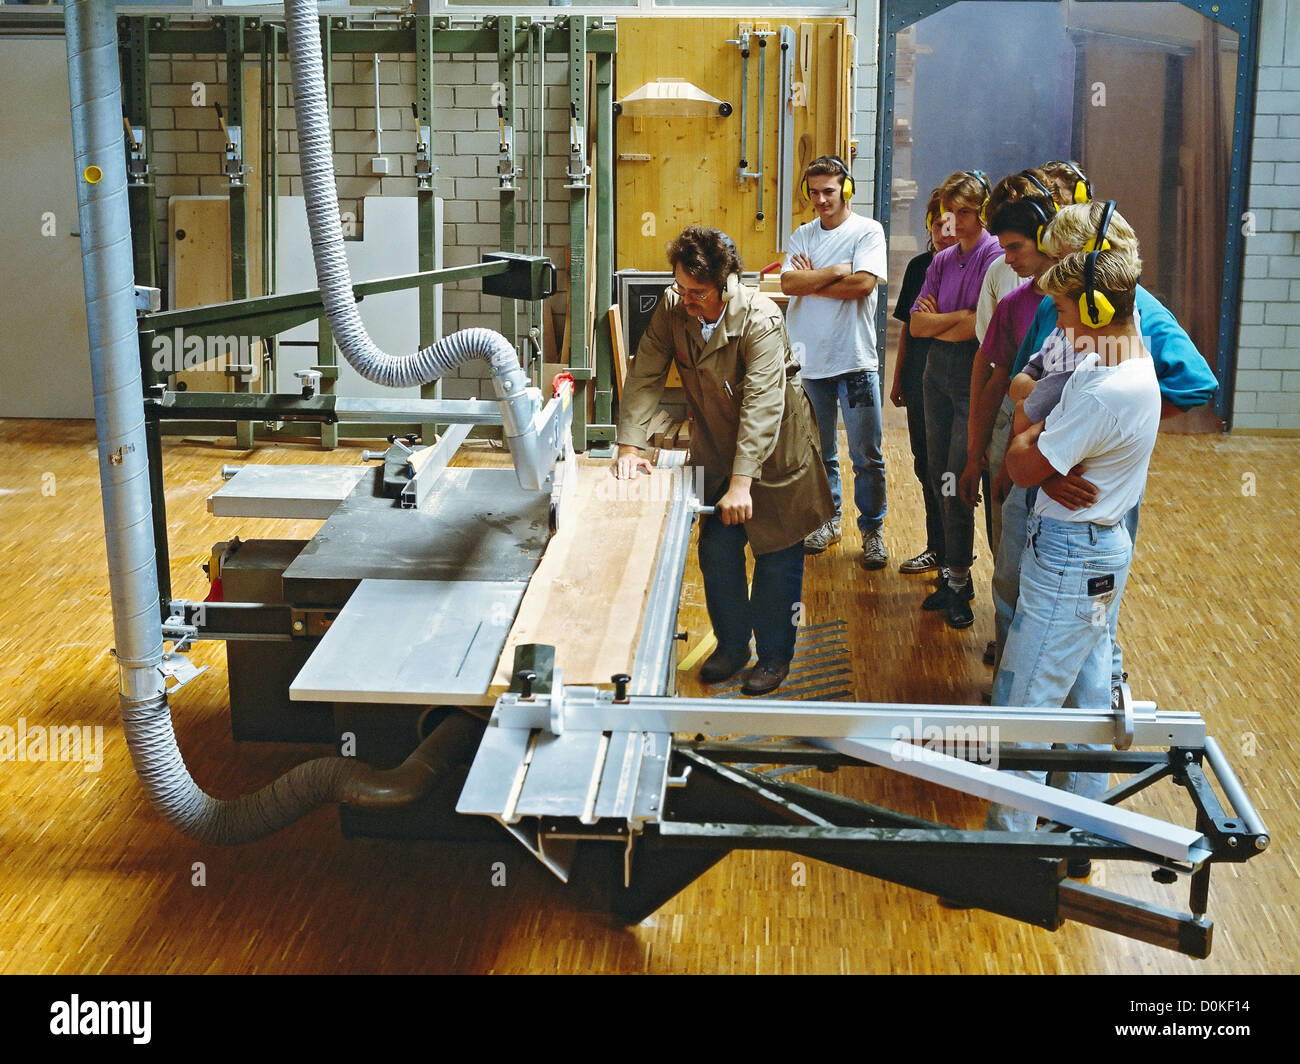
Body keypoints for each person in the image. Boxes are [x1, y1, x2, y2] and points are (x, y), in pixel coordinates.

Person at [992, 200, 1218, 696]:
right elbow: (1028, 381)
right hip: (1057, 473)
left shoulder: (1116, 353)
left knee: (1065, 655)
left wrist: (1110, 437)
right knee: (1071, 638)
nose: (1054, 271)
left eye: (1065, 259)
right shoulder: (1080, 326)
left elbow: (1195, 384)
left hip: (1083, 507)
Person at [613, 225, 834, 696]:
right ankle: (734, 647)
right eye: (680, 288)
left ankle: (775, 657)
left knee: (776, 557)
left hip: (776, 454)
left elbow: (762, 406)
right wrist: (630, 446)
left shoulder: (760, 319)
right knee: (716, 551)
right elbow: (645, 373)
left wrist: (741, 484)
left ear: (725, 283)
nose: (686, 299)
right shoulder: (675, 309)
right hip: (716, 448)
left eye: (698, 292)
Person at [986, 243, 1160, 836]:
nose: (1056, 321)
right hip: (1098, 551)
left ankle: (1006, 856)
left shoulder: (1104, 389)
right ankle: (1077, 831)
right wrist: (1040, 448)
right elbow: (1032, 418)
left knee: (1023, 708)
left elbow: (1022, 464)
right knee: (1087, 702)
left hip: (1070, 557)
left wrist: (1031, 449)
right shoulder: (1113, 359)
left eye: (1062, 309)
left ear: (1091, 308)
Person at [781, 156, 890, 569]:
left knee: (867, 455)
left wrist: (814, 282)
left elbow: (862, 285)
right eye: (814, 192)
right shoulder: (802, 235)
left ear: (846, 189)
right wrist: (834, 272)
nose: (821, 200)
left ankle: (873, 529)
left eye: (829, 191)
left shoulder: (868, 231)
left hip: (855, 359)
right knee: (818, 452)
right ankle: (827, 521)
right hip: (810, 365)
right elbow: (790, 282)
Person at [908, 170, 1005, 629]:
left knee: (957, 477)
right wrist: (957, 317)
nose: (956, 223)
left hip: (973, 372)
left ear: (982, 211)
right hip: (935, 375)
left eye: (966, 213)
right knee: (933, 471)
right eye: (951, 213)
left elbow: (981, 328)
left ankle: (963, 577)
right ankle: (949, 576)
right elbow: (916, 325)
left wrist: (946, 319)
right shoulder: (942, 262)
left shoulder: (995, 257)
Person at [890, 188, 957, 575]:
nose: (944, 233)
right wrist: (898, 379)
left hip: (952, 384)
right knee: (925, 465)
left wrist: (939, 317)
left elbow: (972, 323)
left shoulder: (975, 270)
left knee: (948, 471)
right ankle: (937, 546)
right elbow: (912, 328)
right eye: (937, 224)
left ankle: (955, 557)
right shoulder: (919, 267)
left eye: (951, 224)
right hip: (918, 379)